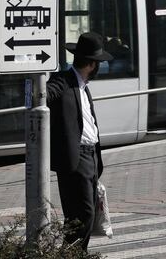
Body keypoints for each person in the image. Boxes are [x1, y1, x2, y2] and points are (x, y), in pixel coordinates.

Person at [47, 32, 113, 250]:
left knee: (84, 214)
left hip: (91, 156)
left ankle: (75, 254)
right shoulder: (63, 82)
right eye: (98, 63)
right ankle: (71, 254)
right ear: (92, 64)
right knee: (83, 214)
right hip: (76, 159)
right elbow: (45, 93)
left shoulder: (83, 86)